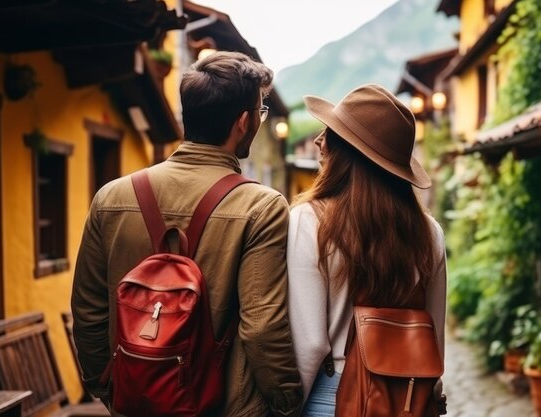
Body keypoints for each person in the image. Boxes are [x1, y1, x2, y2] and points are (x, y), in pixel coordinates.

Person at [71, 51, 303, 417]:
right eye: (260, 112)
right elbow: (261, 327)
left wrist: (107, 386)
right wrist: (288, 402)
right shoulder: (262, 207)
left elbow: (88, 311)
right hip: (227, 407)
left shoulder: (110, 197)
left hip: (134, 402)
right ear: (243, 122)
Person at [287, 84, 447, 416]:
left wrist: (286, 410)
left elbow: (311, 344)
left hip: (332, 395)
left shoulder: (310, 220)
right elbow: (434, 337)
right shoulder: (429, 233)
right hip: (405, 398)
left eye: (329, 132)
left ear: (348, 150)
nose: (318, 140)